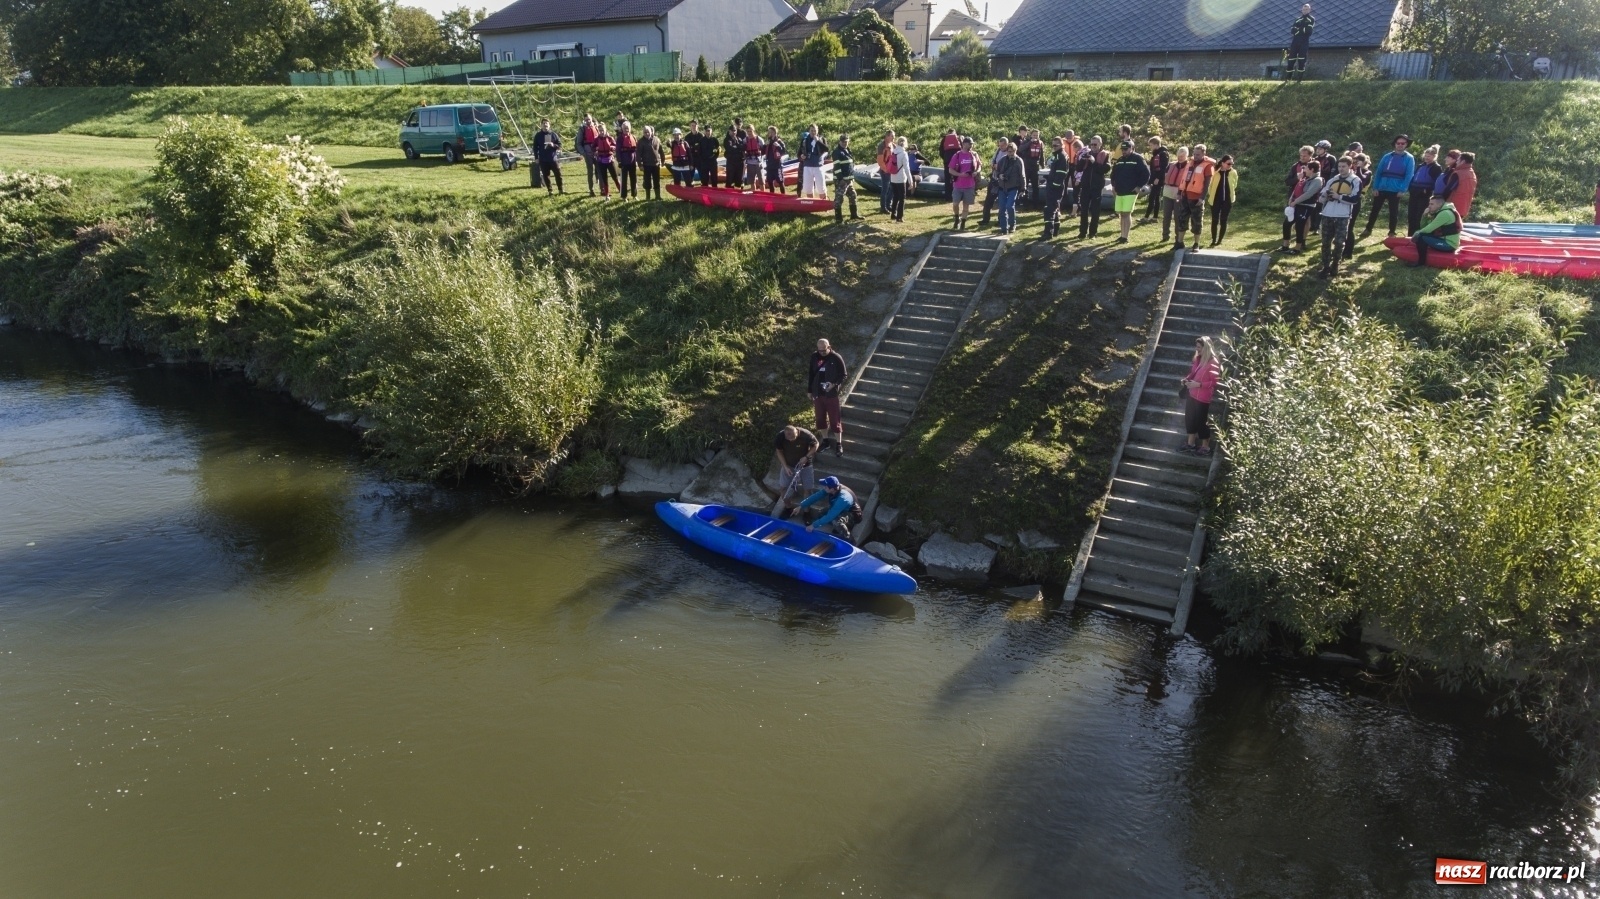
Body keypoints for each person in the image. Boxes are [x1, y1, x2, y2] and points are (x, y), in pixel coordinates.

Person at [1361, 134, 1415, 238]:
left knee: (1393, 212)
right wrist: (1375, 187)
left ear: (1406, 144)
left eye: (1402, 143)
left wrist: (1402, 189)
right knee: (1375, 210)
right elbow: (1379, 172)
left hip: (1396, 189)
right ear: (1395, 144)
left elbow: (1409, 175)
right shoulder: (1387, 156)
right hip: (1382, 187)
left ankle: (1392, 232)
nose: (1400, 145)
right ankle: (1368, 229)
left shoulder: (1409, 158)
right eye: (1398, 143)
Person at [1316, 156, 1361, 278]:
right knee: (1325, 242)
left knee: (1339, 242)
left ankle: (1335, 265)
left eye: (1344, 166)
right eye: (1339, 166)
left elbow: (1355, 199)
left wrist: (1339, 196)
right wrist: (1325, 195)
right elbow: (1321, 197)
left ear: (1350, 166)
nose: (1341, 169)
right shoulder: (1332, 180)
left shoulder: (1355, 180)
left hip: (1342, 215)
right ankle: (1325, 266)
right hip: (1327, 214)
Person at [1180, 337, 1221, 457]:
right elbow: (1193, 373)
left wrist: (1199, 384)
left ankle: (1205, 446)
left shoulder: (1213, 362)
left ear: (1206, 347)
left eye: (1199, 347)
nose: (1196, 349)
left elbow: (1215, 382)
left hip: (1203, 397)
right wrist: (1186, 379)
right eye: (1196, 346)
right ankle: (1190, 443)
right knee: (1190, 418)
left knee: (1201, 422)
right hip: (1191, 393)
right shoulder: (1198, 359)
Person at [809, 338, 848, 456]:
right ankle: (825, 441)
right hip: (818, 393)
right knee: (820, 419)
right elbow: (811, 373)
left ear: (829, 347)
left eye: (824, 350)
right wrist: (809, 390)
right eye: (819, 350)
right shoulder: (814, 357)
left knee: (834, 419)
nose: (821, 352)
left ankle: (839, 444)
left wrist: (834, 384)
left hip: (831, 394)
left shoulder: (836, 357)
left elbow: (843, 375)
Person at [774, 425, 821, 516]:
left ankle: (806, 512)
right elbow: (779, 451)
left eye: (793, 438)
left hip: (805, 466)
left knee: (808, 489)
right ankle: (788, 508)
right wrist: (785, 466)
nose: (791, 440)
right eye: (788, 439)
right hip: (788, 465)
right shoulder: (780, 436)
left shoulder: (806, 435)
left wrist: (806, 457)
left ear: (797, 432)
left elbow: (816, 445)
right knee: (783, 488)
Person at [1175, 144, 1214, 251]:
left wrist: (1202, 198)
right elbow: (1184, 178)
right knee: (1182, 219)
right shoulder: (1190, 163)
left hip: (1196, 198)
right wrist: (1179, 192)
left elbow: (1207, 184)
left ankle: (1196, 244)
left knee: (1197, 222)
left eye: (1198, 154)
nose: (1195, 156)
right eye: (1194, 154)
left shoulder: (1207, 166)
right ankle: (1179, 242)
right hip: (1185, 195)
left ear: (1203, 154)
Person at [1109, 139, 1150, 244]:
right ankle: (1122, 235)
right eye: (1123, 149)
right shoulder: (1120, 160)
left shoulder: (1138, 159)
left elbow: (1146, 174)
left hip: (1130, 191)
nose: (1124, 151)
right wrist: (1113, 185)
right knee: (1122, 214)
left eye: (1126, 149)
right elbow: (1113, 174)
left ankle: (1125, 237)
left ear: (1132, 148)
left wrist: (1139, 186)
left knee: (1126, 213)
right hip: (1120, 190)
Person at [796, 476, 857, 542]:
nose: (823, 487)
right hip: (839, 508)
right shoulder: (832, 488)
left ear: (832, 489)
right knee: (821, 513)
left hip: (851, 514)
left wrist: (813, 526)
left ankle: (849, 538)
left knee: (835, 521)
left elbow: (830, 516)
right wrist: (801, 506)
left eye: (825, 486)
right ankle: (838, 528)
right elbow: (816, 496)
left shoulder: (843, 498)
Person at [1279, 160, 1321, 253]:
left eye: (1306, 168)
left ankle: (1297, 248)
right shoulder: (1305, 178)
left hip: (1306, 206)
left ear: (1312, 169)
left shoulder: (1317, 180)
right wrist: (1291, 199)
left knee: (1299, 226)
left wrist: (1295, 202)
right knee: (1287, 223)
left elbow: (1308, 194)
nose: (1304, 169)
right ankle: (1285, 245)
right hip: (1296, 205)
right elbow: (1296, 189)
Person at [1408, 194, 1461, 266]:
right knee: (1421, 234)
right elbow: (1423, 227)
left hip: (1449, 245)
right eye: (1429, 203)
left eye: (1432, 204)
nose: (1429, 206)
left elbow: (1428, 230)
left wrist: (1416, 234)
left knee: (1421, 237)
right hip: (1442, 239)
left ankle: (1421, 262)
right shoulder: (1438, 212)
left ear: (1439, 205)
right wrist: (1424, 215)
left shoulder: (1445, 213)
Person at [1077, 135, 1110, 240]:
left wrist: (1094, 162)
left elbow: (1105, 169)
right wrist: (1082, 159)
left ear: (1100, 144)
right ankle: (1082, 232)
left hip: (1096, 187)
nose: (1093, 146)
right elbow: (1078, 168)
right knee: (1084, 210)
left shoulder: (1105, 155)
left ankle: (1093, 233)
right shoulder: (1087, 153)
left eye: (1095, 144)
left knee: (1095, 211)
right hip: (1086, 186)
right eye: (1091, 144)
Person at [1406, 144, 1443, 235]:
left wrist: (1427, 191)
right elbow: (1413, 177)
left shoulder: (1436, 168)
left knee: (1420, 216)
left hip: (1424, 196)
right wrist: (1410, 188)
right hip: (1414, 193)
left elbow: (1436, 183)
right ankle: (1410, 235)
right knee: (1411, 215)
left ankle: (1418, 235)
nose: (1427, 158)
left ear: (1434, 157)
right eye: (1426, 156)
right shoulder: (1420, 166)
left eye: (1429, 156)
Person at [1041, 136, 1072, 239]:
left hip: (1055, 187)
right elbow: (1055, 172)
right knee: (1055, 208)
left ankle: (1048, 233)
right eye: (1053, 145)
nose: (1054, 147)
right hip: (1053, 185)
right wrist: (1048, 177)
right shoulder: (1057, 155)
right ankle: (1055, 230)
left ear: (1062, 145)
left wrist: (1054, 184)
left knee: (1049, 209)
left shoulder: (1061, 156)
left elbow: (1061, 173)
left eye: (1056, 145)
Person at [948, 135, 982, 230]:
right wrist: (960, 174)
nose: (971, 146)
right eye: (969, 144)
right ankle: (956, 218)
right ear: (964, 144)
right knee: (955, 203)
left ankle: (963, 222)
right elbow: (950, 170)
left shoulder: (974, 155)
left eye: (972, 144)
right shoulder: (957, 155)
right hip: (958, 184)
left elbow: (979, 166)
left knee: (966, 206)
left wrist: (976, 172)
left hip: (970, 184)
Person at [993, 139, 1026, 235]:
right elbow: (996, 172)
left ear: (1015, 151)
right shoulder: (1002, 160)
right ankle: (1004, 228)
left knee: (1010, 207)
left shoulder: (1019, 161)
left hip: (1013, 187)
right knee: (1002, 208)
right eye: (1009, 151)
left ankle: (1012, 225)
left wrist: (1023, 189)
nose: (1010, 153)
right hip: (1002, 187)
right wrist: (1000, 176)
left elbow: (1022, 175)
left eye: (1012, 151)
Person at [977, 137, 1011, 229]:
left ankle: (1001, 221)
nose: (1001, 147)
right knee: (988, 201)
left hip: (1003, 182)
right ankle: (985, 220)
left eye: (1003, 145)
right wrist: (993, 165)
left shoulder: (1010, 154)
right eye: (999, 145)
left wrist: (998, 166)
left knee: (1002, 203)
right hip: (994, 179)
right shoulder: (998, 151)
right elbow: (992, 161)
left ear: (1007, 145)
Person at [1207, 154, 1238, 246]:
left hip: (1227, 200)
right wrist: (1211, 194)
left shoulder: (1233, 172)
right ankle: (1213, 239)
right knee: (1215, 219)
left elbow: (1235, 184)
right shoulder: (1215, 172)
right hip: (1215, 199)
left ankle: (1220, 240)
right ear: (1223, 163)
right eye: (1228, 164)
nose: (1230, 165)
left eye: (1232, 164)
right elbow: (1210, 185)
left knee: (1223, 219)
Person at [1161, 145, 1189, 244]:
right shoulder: (1171, 164)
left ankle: (1178, 238)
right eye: (1179, 155)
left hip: (1179, 192)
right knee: (1166, 215)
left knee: (1178, 216)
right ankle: (1165, 235)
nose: (1180, 158)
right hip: (1168, 190)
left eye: (1182, 156)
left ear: (1186, 156)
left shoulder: (1189, 167)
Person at [831, 133, 860, 223]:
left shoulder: (847, 150)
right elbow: (837, 167)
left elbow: (850, 165)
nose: (845, 143)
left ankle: (854, 215)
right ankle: (838, 219)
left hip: (849, 179)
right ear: (840, 142)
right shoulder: (837, 152)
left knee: (853, 195)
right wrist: (841, 179)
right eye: (843, 142)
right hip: (842, 180)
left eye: (846, 142)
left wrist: (851, 178)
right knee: (839, 198)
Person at [532, 118, 564, 195]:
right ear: (541, 125)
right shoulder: (538, 135)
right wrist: (536, 157)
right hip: (543, 159)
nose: (545, 125)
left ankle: (560, 190)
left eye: (547, 123)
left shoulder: (553, 134)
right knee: (546, 176)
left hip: (553, 159)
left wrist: (553, 145)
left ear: (549, 125)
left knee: (558, 174)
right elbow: (535, 147)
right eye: (543, 123)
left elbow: (560, 145)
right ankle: (550, 191)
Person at [1443, 151, 1477, 220]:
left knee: (1446, 229)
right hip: (1464, 207)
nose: (1456, 162)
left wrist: (1440, 200)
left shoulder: (1458, 174)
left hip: (1452, 207)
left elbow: (1448, 190)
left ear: (1463, 161)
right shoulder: (1472, 174)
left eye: (1458, 160)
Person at [1143, 136, 1169, 222]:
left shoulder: (1163, 154)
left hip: (1158, 179)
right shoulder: (1156, 153)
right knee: (1156, 197)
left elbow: (1163, 168)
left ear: (1156, 144)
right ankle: (1155, 217)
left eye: (1151, 145)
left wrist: (1158, 178)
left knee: (1152, 197)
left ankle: (1146, 217)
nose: (1150, 147)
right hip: (1154, 178)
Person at [887, 136, 912, 222]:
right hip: (901, 178)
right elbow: (907, 168)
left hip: (893, 177)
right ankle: (899, 217)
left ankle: (893, 214)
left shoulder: (894, 151)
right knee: (902, 198)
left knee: (895, 196)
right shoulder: (904, 154)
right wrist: (910, 181)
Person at [1287, 3, 1314, 83]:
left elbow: (1309, 31)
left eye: (1307, 9)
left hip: (1304, 42)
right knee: (1291, 59)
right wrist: (1301, 29)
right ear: (1301, 10)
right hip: (1295, 42)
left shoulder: (1311, 19)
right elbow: (1292, 30)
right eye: (1304, 9)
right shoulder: (1297, 19)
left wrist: (1298, 29)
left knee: (1302, 60)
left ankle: (1299, 79)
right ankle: (1288, 78)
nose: (1305, 11)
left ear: (1309, 10)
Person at [592, 123, 619, 199]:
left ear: (605, 130)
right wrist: (595, 150)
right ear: (598, 131)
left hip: (610, 160)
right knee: (604, 178)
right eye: (600, 130)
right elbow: (592, 148)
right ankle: (607, 194)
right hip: (601, 161)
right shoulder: (596, 140)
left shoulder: (610, 138)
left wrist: (612, 147)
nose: (601, 132)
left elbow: (615, 146)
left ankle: (621, 190)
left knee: (615, 177)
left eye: (603, 130)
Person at [802, 124, 828, 198]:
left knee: (821, 187)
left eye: (815, 131)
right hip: (807, 165)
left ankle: (824, 205)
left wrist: (818, 141)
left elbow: (826, 150)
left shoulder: (822, 139)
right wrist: (801, 156)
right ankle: (811, 204)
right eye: (811, 131)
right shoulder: (805, 140)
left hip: (818, 165)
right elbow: (800, 152)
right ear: (809, 131)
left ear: (817, 131)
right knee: (808, 188)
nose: (813, 132)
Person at [636, 125, 663, 200]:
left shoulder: (657, 139)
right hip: (646, 165)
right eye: (645, 132)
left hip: (656, 164)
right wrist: (640, 165)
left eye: (648, 132)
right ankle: (648, 197)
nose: (647, 133)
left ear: (651, 132)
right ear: (643, 133)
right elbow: (638, 154)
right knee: (647, 182)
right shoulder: (641, 142)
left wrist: (662, 160)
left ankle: (658, 196)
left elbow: (661, 151)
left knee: (656, 181)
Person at [577, 113, 599, 196]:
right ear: (584, 120)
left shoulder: (596, 126)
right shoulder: (582, 129)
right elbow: (578, 143)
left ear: (591, 118)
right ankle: (591, 190)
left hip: (597, 152)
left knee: (600, 170)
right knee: (590, 172)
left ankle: (603, 189)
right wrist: (583, 153)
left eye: (589, 119)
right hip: (588, 153)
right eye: (586, 120)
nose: (588, 121)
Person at [615, 122, 638, 200]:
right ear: (622, 129)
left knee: (634, 179)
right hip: (624, 161)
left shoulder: (633, 137)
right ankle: (624, 196)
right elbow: (617, 151)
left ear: (630, 128)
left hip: (632, 161)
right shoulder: (620, 138)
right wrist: (619, 161)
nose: (626, 129)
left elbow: (636, 150)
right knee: (624, 179)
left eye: (628, 127)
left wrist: (637, 160)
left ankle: (634, 195)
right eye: (625, 128)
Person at [1023, 128, 1045, 207]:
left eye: (1037, 135)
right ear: (1031, 135)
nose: (1035, 137)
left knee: (1036, 185)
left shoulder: (1040, 143)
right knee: (1025, 185)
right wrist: (1029, 143)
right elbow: (1020, 149)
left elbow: (1042, 155)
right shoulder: (1026, 141)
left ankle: (1036, 203)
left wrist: (1043, 165)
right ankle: (1025, 202)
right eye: (1034, 135)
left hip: (1035, 166)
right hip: (1026, 166)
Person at [938, 127, 961, 200]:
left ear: (948, 133)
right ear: (955, 133)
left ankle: (948, 197)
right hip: (957, 160)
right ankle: (958, 196)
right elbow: (962, 149)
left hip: (947, 160)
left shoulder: (944, 139)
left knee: (947, 178)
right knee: (957, 177)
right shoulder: (958, 138)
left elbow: (941, 151)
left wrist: (945, 158)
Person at [876, 130, 896, 213]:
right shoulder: (881, 146)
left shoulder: (893, 145)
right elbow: (880, 161)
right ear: (887, 136)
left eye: (893, 136)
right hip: (885, 171)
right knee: (885, 189)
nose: (893, 137)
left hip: (891, 170)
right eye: (891, 136)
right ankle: (883, 207)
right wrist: (886, 170)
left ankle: (889, 205)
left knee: (892, 188)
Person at [764, 126, 787, 195]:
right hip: (769, 165)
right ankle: (772, 196)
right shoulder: (768, 142)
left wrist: (778, 146)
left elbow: (784, 151)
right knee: (770, 182)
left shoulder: (779, 141)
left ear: (774, 132)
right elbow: (763, 151)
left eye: (771, 132)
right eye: (769, 132)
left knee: (780, 181)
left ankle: (783, 196)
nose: (769, 133)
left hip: (777, 165)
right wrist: (765, 145)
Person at [696, 124, 720, 188]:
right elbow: (699, 152)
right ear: (704, 131)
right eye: (706, 131)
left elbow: (717, 151)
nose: (708, 132)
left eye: (709, 131)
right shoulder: (701, 141)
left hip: (713, 162)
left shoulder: (715, 140)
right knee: (704, 179)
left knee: (714, 178)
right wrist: (702, 160)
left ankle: (715, 191)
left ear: (711, 131)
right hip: (704, 162)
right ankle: (705, 192)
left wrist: (714, 157)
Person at [743, 126, 765, 190]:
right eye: (748, 131)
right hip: (750, 163)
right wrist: (745, 158)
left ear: (753, 130)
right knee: (752, 181)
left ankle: (763, 195)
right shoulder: (745, 140)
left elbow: (764, 150)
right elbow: (743, 151)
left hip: (758, 162)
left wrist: (761, 160)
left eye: (751, 131)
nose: (749, 133)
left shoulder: (759, 139)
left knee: (761, 181)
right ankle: (754, 195)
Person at [723, 124, 744, 190]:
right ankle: (728, 193)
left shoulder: (739, 139)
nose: (734, 132)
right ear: (729, 131)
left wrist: (737, 144)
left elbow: (742, 147)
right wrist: (737, 147)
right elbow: (730, 149)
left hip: (739, 162)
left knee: (739, 178)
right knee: (730, 178)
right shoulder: (727, 140)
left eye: (735, 130)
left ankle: (738, 192)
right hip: (731, 162)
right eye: (732, 131)